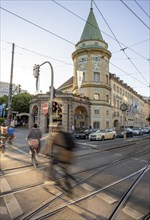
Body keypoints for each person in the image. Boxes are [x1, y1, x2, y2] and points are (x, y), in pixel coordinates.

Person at [50, 123, 76, 193]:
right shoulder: (67, 134)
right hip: (70, 155)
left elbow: (50, 146)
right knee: (65, 170)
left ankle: (55, 179)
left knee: (52, 164)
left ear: (56, 129)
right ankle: (68, 185)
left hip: (61, 155)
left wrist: (45, 153)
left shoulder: (57, 135)